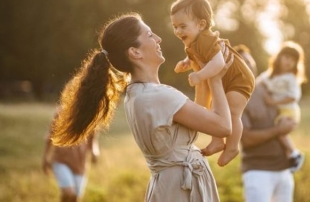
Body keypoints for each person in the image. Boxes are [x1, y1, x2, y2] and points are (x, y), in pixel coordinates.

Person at [50, 12, 234, 202]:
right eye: (150, 35)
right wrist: (216, 79)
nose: (158, 39)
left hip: (170, 185)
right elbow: (223, 126)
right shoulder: (158, 96)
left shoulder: (138, 94)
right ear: (135, 52)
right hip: (180, 189)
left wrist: (203, 74)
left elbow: (197, 117)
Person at [170, 0, 255, 167]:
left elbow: (218, 62)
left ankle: (232, 147)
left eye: (182, 26)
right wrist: (186, 63)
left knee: (231, 112)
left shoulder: (206, 39)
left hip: (239, 79)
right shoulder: (193, 42)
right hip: (227, 79)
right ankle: (217, 142)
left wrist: (199, 76)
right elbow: (195, 57)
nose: (178, 31)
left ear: (201, 25)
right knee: (217, 110)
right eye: (175, 27)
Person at [240, 44, 299, 202]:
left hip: (283, 170)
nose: (248, 65)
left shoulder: (265, 86)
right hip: (258, 171)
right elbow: (246, 139)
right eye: (242, 62)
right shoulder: (236, 98)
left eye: (249, 61)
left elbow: (287, 109)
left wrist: (290, 123)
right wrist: (278, 130)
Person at [260, 41, 307, 172]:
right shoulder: (270, 75)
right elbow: (259, 83)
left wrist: (272, 102)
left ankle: (295, 154)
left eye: (293, 60)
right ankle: (288, 159)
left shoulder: (290, 78)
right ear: (279, 57)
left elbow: (293, 97)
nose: (289, 62)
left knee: (280, 132)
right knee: (277, 135)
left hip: (289, 111)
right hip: (280, 111)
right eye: (286, 58)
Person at [42, 106, 100, 202]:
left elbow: (93, 139)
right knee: (68, 193)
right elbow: (50, 136)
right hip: (61, 160)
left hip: (80, 164)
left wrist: (94, 151)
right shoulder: (61, 111)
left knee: (75, 198)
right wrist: (45, 158)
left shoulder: (90, 114)